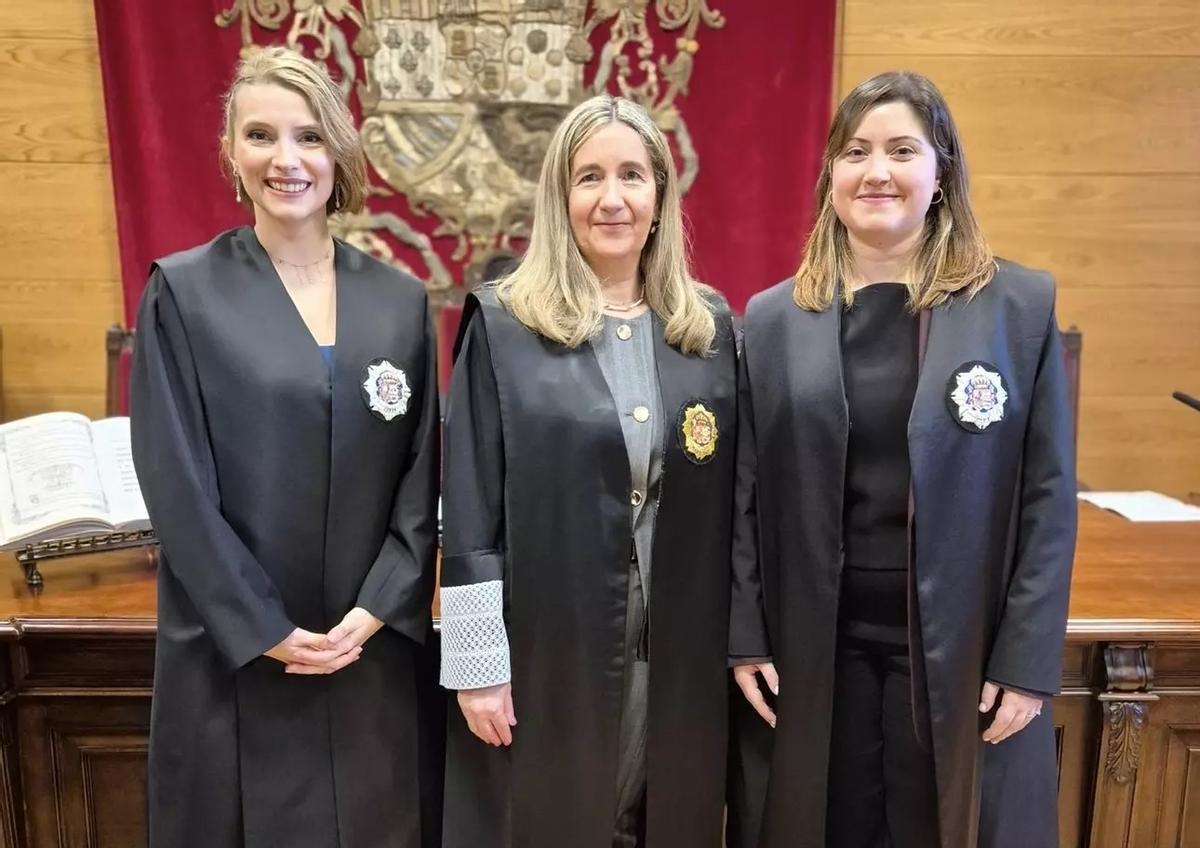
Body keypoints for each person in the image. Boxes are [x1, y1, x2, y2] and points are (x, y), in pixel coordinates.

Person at [727, 71, 1077, 848]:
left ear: (941, 170)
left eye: (901, 150)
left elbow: (1047, 496)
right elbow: (744, 496)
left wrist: (1026, 658)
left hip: (961, 649)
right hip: (816, 647)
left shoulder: (1015, 308)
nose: (876, 171)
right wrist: (744, 633)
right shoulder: (776, 319)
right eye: (855, 152)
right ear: (831, 176)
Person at [130, 47, 442, 848]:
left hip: (369, 654)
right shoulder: (185, 294)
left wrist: (378, 608)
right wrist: (260, 624)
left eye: (308, 137)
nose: (286, 159)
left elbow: (422, 477)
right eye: (261, 135)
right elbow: (176, 483)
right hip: (234, 658)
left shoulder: (400, 304)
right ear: (232, 153)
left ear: (338, 151)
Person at [439, 94, 736, 848]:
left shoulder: (707, 329)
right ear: (559, 196)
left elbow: (742, 504)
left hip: (677, 658)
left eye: (632, 175)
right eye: (589, 177)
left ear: (661, 196)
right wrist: (477, 664)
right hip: (549, 657)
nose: (612, 199)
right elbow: (469, 507)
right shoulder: (505, 326)